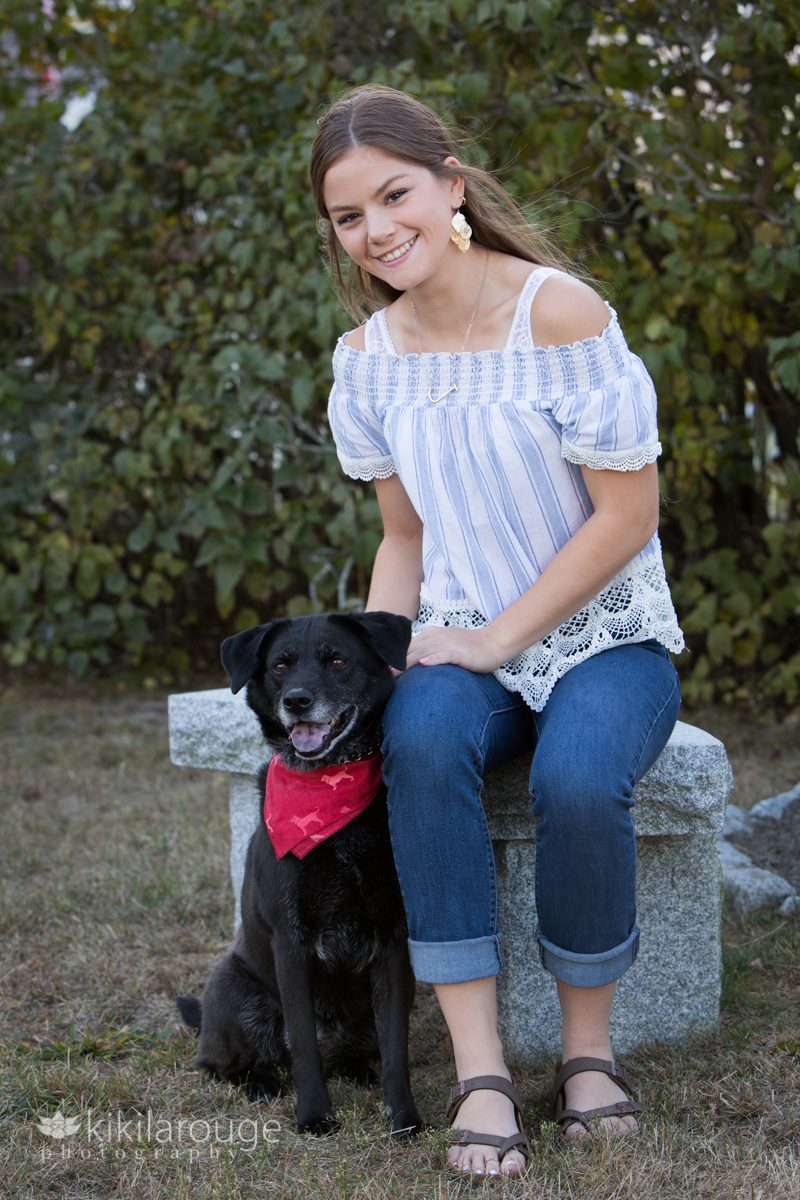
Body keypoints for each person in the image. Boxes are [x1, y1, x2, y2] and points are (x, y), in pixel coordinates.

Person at [310, 84, 684, 1179]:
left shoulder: (557, 314)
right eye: (348, 216)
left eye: (394, 194)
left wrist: (492, 639)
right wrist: (393, 654)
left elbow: (627, 517)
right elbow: (404, 535)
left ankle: (585, 1055)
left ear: (450, 188)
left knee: (575, 779)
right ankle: (478, 1069)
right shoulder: (366, 359)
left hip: (605, 636)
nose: (378, 229)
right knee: (419, 743)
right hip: (463, 636)